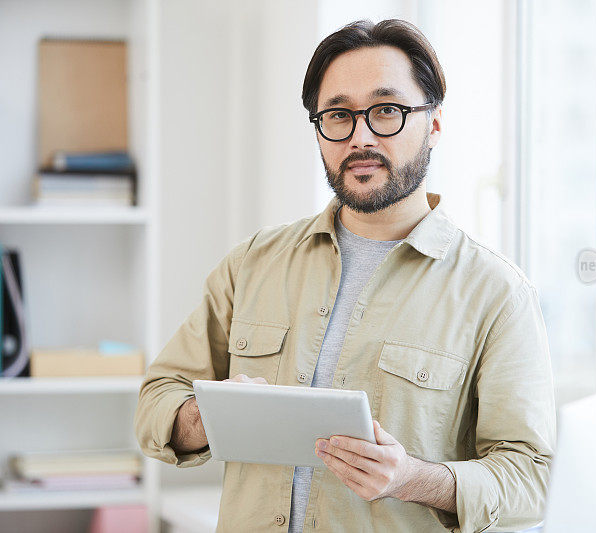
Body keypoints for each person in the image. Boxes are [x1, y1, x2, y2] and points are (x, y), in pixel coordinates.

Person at [134, 19, 555, 533]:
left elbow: (531, 479)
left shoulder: (496, 292)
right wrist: (206, 416)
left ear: (435, 124)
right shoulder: (253, 263)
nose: (360, 136)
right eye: (338, 115)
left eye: (387, 111)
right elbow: (157, 397)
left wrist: (412, 478)